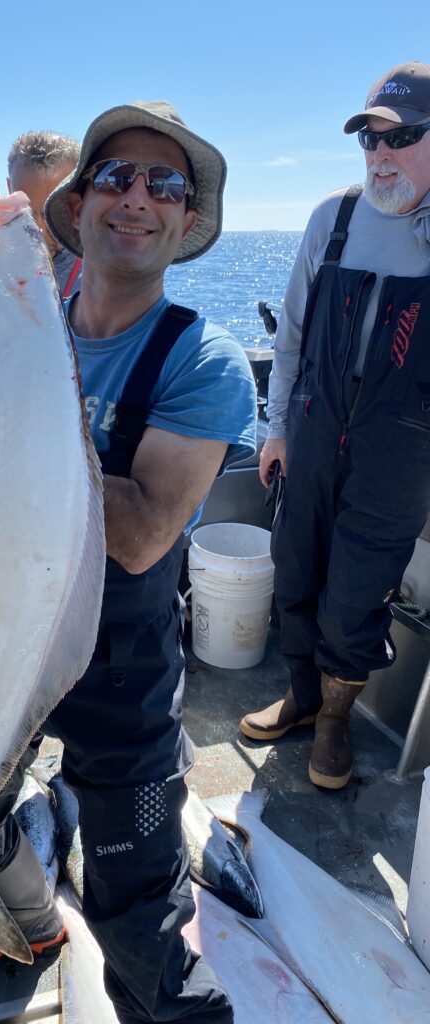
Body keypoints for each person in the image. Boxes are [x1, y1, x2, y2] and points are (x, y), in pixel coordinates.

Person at [0, 101, 257, 1024]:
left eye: (166, 185)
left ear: (188, 221)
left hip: (123, 665)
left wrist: (22, 405)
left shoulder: (206, 359)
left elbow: (147, 531)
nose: (138, 198)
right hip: (0, 638)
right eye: (116, 176)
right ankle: (34, 923)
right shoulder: (10, 322)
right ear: (75, 209)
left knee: (139, 915)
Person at [240, 61, 430, 790]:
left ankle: (335, 723)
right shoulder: (335, 219)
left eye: (402, 137)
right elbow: (288, 337)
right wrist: (276, 429)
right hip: (314, 431)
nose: (380, 157)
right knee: (296, 571)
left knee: (356, 595)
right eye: (369, 141)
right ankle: (301, 695)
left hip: (401, 453)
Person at [7, 130, 83, 297]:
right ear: (9, 187)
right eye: (27, 214)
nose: (39, 231)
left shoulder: (99, 276)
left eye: (51, 215)